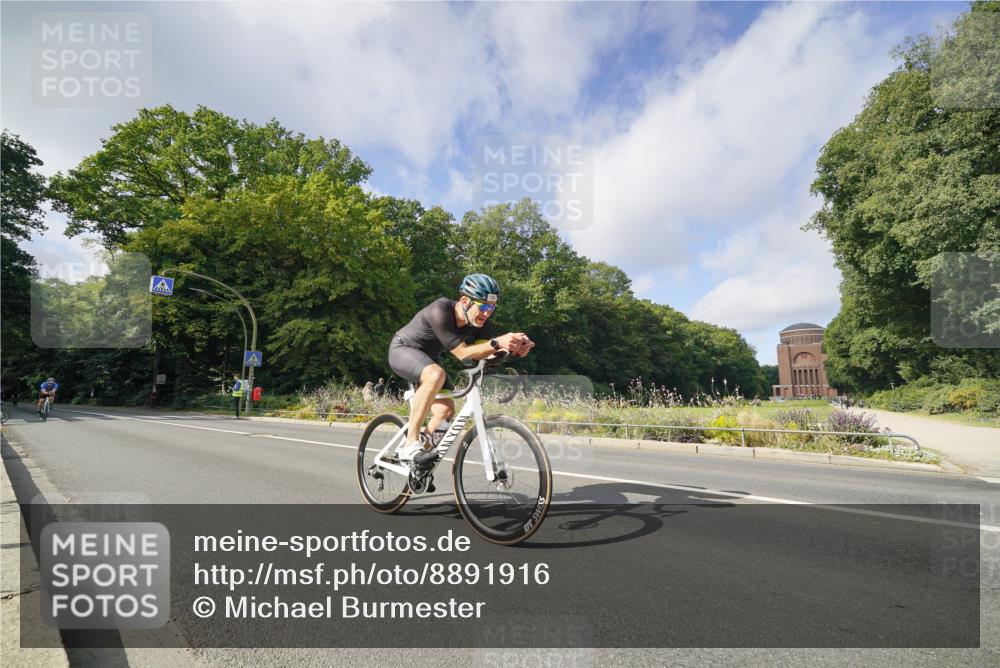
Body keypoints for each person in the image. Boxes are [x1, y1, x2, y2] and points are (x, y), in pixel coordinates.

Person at [388, 273, 533, 464]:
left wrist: (510, 349)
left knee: (446, 412)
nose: (488, 313)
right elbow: (464, 354)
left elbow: (482, 353)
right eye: (484, 306)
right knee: (435, 374)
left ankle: (419, 460)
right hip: (403, 349)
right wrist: (498, 341)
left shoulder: (480, 322)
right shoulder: (440, 310)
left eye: (492, 308)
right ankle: (410, 444)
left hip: (430, 358)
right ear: (465, 301)